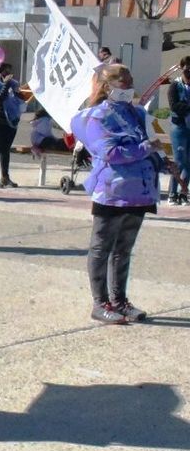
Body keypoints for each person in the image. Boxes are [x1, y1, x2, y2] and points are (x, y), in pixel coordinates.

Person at [72, 64, 159, 324]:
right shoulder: (96, 116)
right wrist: (145, 148)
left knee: (124, 249)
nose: (128, 82)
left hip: (140, 192)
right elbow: (109, 153)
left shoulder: (137, 113)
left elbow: (150, 145)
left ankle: (120, 300)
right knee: (102, 248)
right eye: (122, 79)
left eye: (130, 77)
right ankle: (100, 302)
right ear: (106, 85)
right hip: (112, 191)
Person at [165, 55, 190, 206]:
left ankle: (184, 193)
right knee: (180, 161)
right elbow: (175, 106)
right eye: (187, 69)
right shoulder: (175, 85)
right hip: (179, 127)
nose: (189, 72)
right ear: (182, 68)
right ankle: (172, 193)